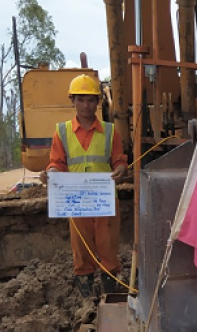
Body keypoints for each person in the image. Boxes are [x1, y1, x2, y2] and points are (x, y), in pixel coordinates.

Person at [39, 74, 129, 298]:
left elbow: (118, 159)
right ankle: (87, 297)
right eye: (81, 99)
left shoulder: (109, 131)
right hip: (76, 200)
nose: (86, 105)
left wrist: (120, 168)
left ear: (98, 102)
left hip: (104, 200)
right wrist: (51, 174)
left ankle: (110, 293)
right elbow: (57, 163)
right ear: (73, 101)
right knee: (81, 247)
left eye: (90, 100)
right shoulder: (62, 132)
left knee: (107, 246)